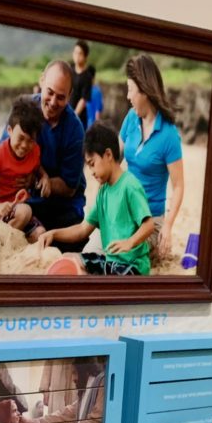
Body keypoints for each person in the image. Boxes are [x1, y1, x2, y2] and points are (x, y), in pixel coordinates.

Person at [39, 122, 153, 276]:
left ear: (108, 155)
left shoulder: (129, 185)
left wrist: (130, 242)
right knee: (68, 258)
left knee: (80, 267)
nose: (91, 172)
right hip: (111, 262)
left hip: (132, 266)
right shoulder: (103, 192)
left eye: (92, 164)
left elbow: (149, 225)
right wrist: (53, 233)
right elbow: (82, 229)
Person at [119, 54, 185, 260]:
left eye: (130, 90)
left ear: (145, 90)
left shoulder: (168, 135)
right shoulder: (131, 118)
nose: (128, 96)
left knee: (124, 253)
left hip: (150, 220)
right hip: (125, 211)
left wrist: (167, 225)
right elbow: (114, 160)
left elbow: (179, 185)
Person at [10, 60, 86, 233]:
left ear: (70, 95)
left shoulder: (75, 130)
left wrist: (40, 181)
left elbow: (69, 187)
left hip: (63, 206)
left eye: (61, 97)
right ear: (41, 81)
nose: (53, 102)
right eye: (49, 93)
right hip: (24, 199)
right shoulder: (23, 111)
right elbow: (3, 152)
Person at [0, 95, 47, 241]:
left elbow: (37, 165)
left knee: (41, 234)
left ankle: (13, 250)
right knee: (25, 211)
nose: (25, 145)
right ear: (9, 130)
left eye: (30, 140)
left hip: (16, 208)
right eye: (21, 138)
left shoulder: (35, 151)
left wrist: (44, 176)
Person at [22, 357, 106, 423]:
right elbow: (63, 414)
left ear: (84, 372)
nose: (73, 378)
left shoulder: (101, 382)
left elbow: (96, 418)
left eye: (74, 373)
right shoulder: (84, 394)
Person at [69, 40, 95, 129]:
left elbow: (83, 100)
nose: (77, 56)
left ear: (85, 56)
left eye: (80, 53)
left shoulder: (87, 76)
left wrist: (73, 116)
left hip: (78, 117)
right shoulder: (69, 70)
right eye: (75, 52)